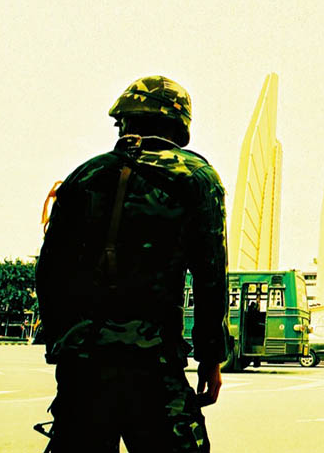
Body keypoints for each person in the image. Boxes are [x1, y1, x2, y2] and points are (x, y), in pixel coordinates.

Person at [36, 76, 228, 452]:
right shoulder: (196, 177)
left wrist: (64, 341)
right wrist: (210, 358)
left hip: (83, 363)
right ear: (179, 125)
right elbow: (210, 277)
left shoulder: (85, 175)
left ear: (123, 122)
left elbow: (49, 271)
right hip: (153, 363)